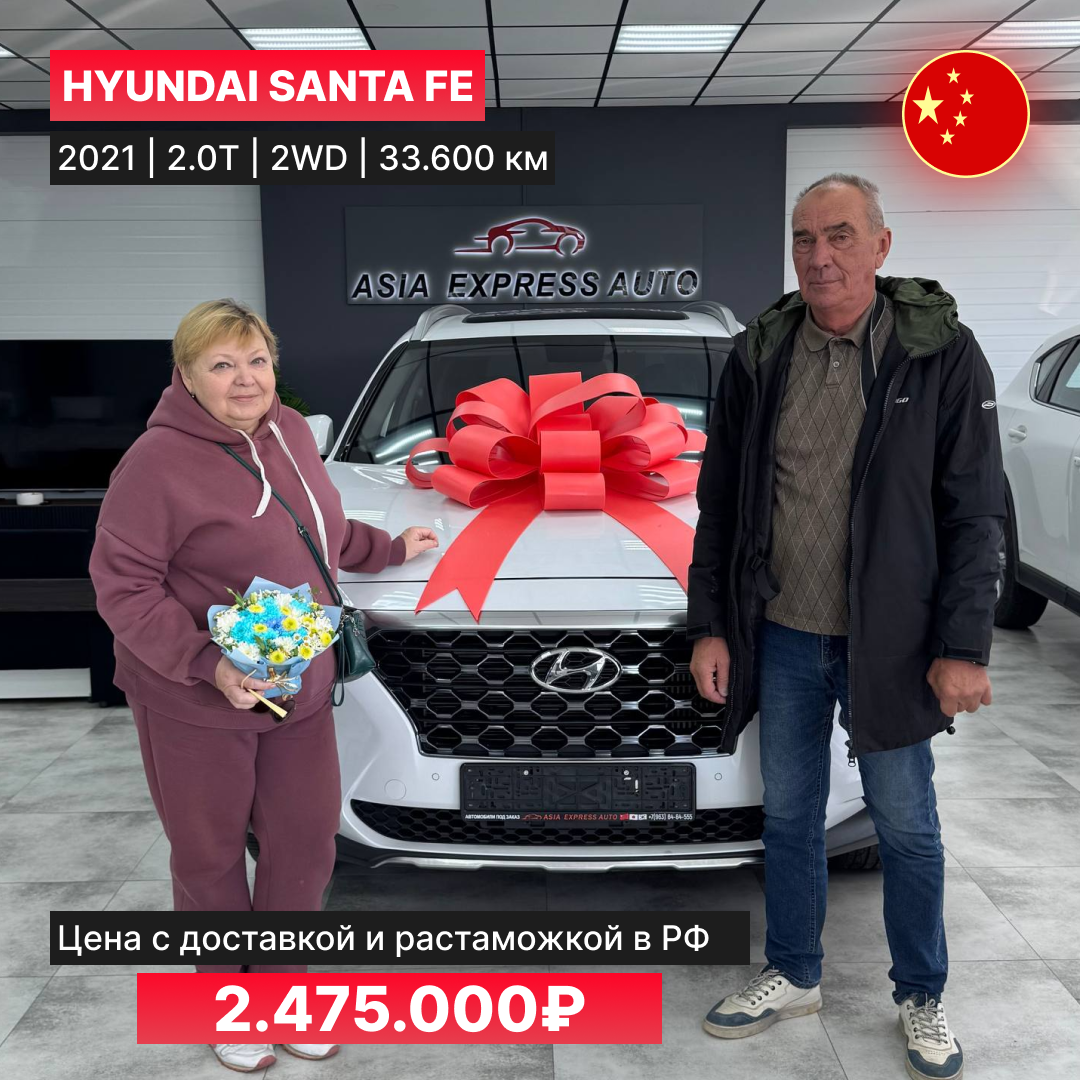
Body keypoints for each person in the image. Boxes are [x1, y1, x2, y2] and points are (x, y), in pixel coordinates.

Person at [687, 173, 1004, 1080]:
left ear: (881, 245)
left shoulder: (940, 354)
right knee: (790, 814)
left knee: (905, 824)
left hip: (892, 642)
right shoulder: (761, 353)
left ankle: (921, 993)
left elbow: (975, 510)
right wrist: (713, 625)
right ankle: (794, 972)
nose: (819, 257)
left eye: (839, 236)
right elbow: (721, 506)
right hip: (783, 631)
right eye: (804, 239)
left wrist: (962, 646)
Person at [90, 298, 439, 1073]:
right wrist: (207, 663)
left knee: (304, 843)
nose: (244, 379)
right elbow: (123, 586)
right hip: (194, 699)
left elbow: (318, 529)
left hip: (296, 684)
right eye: (222, 364)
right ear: (186, 376)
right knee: (211, 854)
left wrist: (388, 548)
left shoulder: (290, 433)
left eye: (256, 360)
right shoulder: (155, 463)